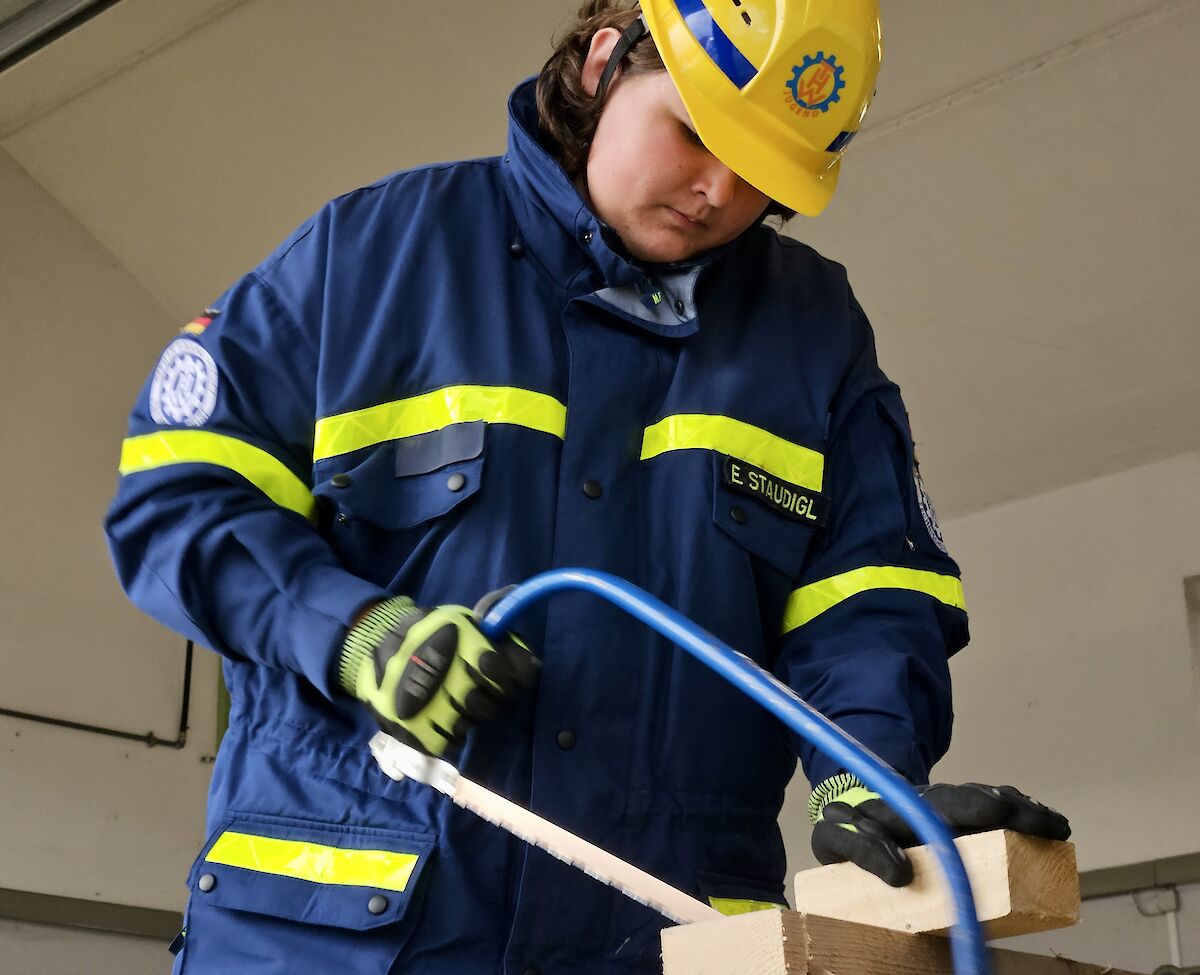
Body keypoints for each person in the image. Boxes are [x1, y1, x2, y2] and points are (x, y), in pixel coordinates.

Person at [105, 1, 1069, 972]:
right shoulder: (373, 259)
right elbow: (180, 495)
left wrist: (866, 782)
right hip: (332, 940)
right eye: (695, 132)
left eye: (766, 173)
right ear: (604, 60)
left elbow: (871, 601)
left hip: (657, 944)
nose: (718, 190)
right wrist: (353, 635)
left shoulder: (812, 333)